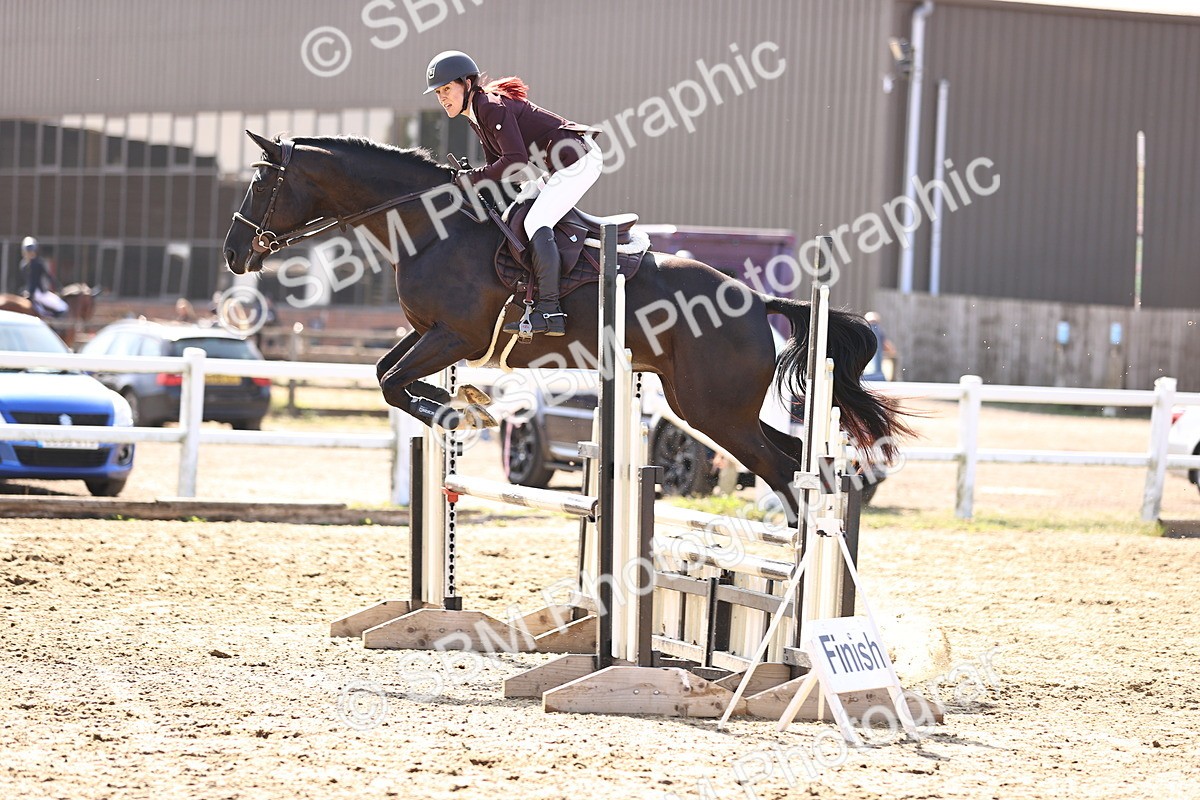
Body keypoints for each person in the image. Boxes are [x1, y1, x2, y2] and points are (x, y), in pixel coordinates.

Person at [424, 50, 604, 337]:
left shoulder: (491, 107)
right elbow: (498, 167)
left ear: (467, 84)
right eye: (438, 93)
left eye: (447, 89)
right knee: (518, 210)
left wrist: (473, 179)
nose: (443, 97)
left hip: (577, 161)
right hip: (557, 167)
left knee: (535, 222)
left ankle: (551, 310)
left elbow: (516, 160)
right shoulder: (477, 114)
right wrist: (472, 180)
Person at [18, 237, 67, 318]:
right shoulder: (38, 263)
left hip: (28, 292)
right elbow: (49, 276)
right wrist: (59, 288)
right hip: (38, 292)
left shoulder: (22, 264)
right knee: (62, 306)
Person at [863, 311, 898, 382]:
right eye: (871, 322)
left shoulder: (875, 332)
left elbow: (890, 350)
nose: (873, 325)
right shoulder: (877, 331)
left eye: (874, 322)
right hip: (871, 373)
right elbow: (891, 350)